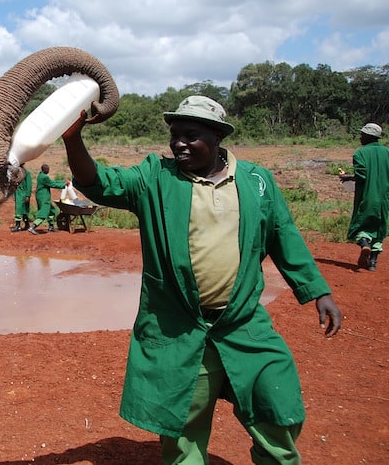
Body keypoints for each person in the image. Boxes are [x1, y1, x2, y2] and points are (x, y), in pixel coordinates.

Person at [60, 95, 342, 463]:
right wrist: (72, 139)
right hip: (180, 327)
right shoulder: (154, 177)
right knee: (183, 429)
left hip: (242, 323)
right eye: (174, 135)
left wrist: (317, 290)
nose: (179, 143)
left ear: (217, 137)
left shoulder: (257, 182)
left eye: (190, 135)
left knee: (276, 402)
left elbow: (283, 235)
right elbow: (98, 182)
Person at [338, 123, 389, 271]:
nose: (360, 137)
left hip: (367, 196)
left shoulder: (360, 154)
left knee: (361, 224)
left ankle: (364, 244)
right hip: (384, 198)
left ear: (368, 136)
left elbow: (362, 176)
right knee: (380, 227)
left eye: (362, 135)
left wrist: (348, 177)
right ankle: (372, 263)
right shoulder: (387, 152)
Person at [28, 163, 67, 234]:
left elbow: (51, 181)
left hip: (42, 196)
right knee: (43, 212)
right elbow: (52, 184)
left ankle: (51, 227)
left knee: (51, 211)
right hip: (44, 197)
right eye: (47, 169)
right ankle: (33, 227)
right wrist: (64, 185)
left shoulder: (41, 175)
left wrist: (62, 182)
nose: (48, 170)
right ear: (45, 170)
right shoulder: (44, 177)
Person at [10, 164, 32, 232]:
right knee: (19, 209)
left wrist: (28, 195)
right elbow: (13, 183)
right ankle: (26, 224)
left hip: (23, 193)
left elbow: (29, 184)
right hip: (18, 193)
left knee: (22, 209)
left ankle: (18, 225)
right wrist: (13, 193)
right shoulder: (15, 173)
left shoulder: (26, 172)